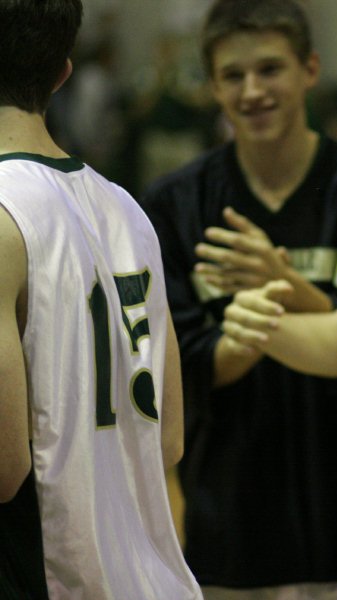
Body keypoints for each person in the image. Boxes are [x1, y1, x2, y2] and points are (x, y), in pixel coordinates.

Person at [138, 0, 337, 598]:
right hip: (233, 533)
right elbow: (177, 366)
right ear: (212, 85)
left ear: (309, 69)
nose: (253, 91)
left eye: (271, 69)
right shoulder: (175, 203)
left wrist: (279, 288)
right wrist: (244, 335)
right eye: (233, 76)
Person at [0, 0, 201, 598]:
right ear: (63, 72)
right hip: (148, 578)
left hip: (52, 578)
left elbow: (6, 465)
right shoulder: (129, 209)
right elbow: (169, 439)